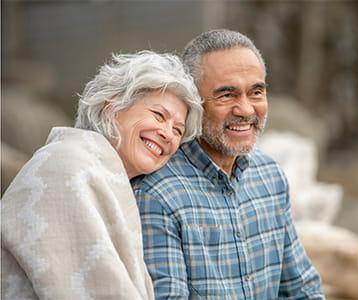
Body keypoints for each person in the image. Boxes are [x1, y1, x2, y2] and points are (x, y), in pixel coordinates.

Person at [132, 30, 325, 299]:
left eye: (256, 92)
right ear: (192, 102)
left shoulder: (270, 175)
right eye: (226, 95)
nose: (246, 110)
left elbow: (302, 289)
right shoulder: (156, 194)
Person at [1, 51, 203, 300]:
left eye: (178, 130)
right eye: (159, 115)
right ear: (112, 106)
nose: (168, 134)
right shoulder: (67, 166)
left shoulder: (105, 173)